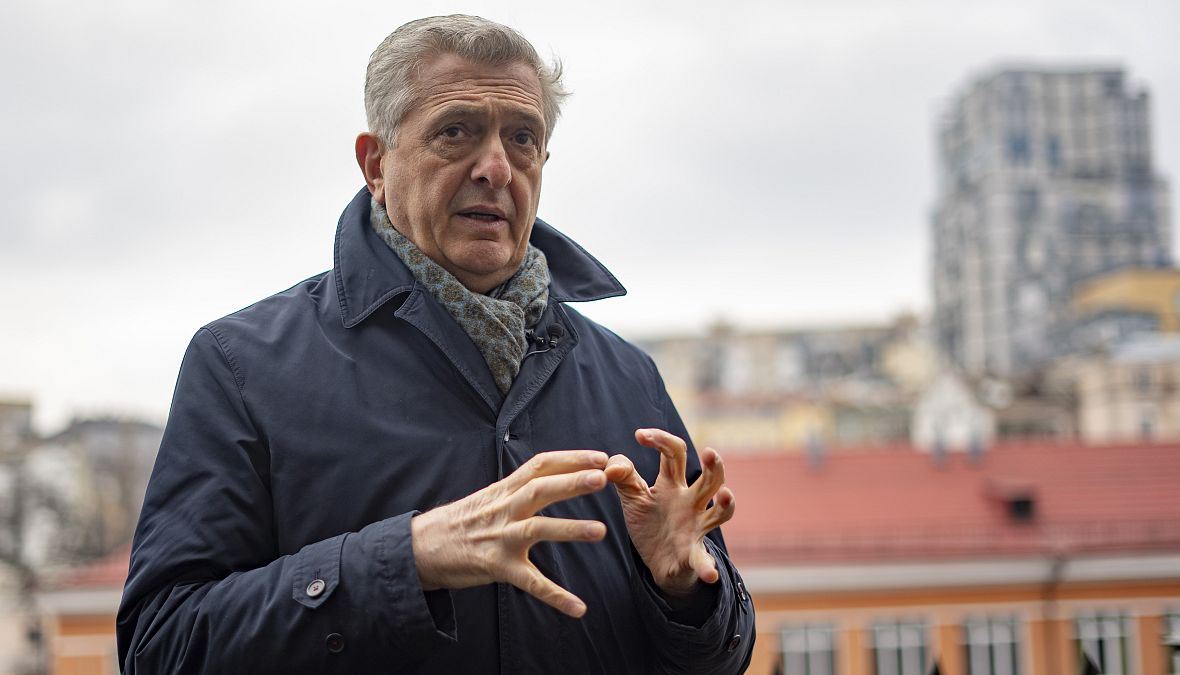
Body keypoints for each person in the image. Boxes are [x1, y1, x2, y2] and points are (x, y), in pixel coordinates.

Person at [117, 14, 755, 674]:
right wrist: (408, 558)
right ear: (375, 163)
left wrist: (684, 591)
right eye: (457, 132)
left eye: (522, 138)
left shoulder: (628, 377)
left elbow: (721, 659)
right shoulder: (242, 365)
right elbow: (161, 646)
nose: (496, 168)